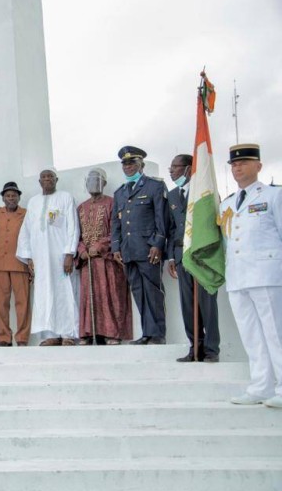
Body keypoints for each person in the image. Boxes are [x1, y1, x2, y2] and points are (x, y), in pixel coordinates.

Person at [220, 144, 282, 408]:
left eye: (244, 163)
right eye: (234, 164)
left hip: (267, 274)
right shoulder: (227, 204)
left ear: (258, 165)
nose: (238, 167)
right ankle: (261, 385)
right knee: (251, 335)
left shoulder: (273, 196)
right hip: (238, 275)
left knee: (275, 333)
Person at [111, 146, 169, 345]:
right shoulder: (120, 192)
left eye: (132, 163)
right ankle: (147, 333)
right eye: (125, 164)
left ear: (141, 165)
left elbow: (162, 219)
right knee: (138, 291)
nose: (128, 167)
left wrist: (157, 244)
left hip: (148, 249)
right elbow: (116, 223)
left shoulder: (154, 186)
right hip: (128, 251)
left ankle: (158, 334)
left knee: (153, 291)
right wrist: (116, 247)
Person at [16, 169, 80, 345]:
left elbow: (72, 227)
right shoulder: (33, 202)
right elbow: (27, 230)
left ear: (56, 180)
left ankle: (68, 334)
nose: (47, 179)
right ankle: (50, 335)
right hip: (40, 259)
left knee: (64, 292)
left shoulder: (65, 198)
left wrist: (69, 253)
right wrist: (29, 257)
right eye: (43, 177)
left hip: (60, 257)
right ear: (39, 181)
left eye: (50, 177)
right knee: (44, 294)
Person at [167, 154, 221, 362]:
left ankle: (211, 349)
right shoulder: (172, 195)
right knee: (188, 305)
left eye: (175, 167)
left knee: (207, 304)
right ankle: (195, 347)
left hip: (202, 256)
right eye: (170, 167)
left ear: (189, 169)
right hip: (182, 257)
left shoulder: (204, 193)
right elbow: (172, 228)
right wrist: (172, 258)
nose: (171, 171)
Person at [76, 168, 132, 345]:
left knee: (109, 296)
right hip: (87, 262)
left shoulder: (112, 203)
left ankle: (112, 333)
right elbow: (76, 234)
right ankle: (90, 333)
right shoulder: (81, 207)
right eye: (90, 180)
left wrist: (99, 246)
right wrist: (82, 249)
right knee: (89, 297)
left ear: (104, 183)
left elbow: (118, 230)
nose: (93, 183)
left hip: (107, 261)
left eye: (97, 180)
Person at [0, 181, 32, 347]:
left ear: (19, 198)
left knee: (23, 302)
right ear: (3, 198)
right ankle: (4, 338)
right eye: (8, 196)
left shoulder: (26, 213)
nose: (11, 198)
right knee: (1, 303)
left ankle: (22, 338)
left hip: (20, 262)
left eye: (14, 196)